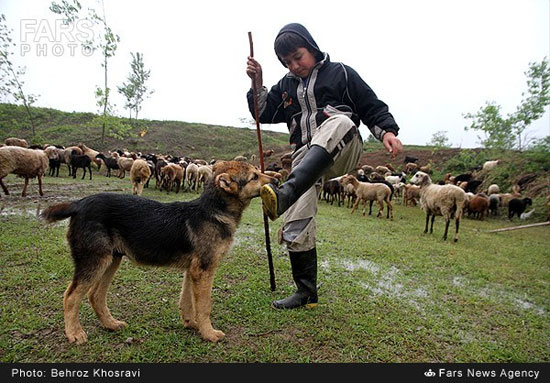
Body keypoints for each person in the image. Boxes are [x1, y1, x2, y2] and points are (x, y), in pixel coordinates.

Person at [246, 23, 402, 310]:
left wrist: (387, 131)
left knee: (340, 121)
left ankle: (286, 192)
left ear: (312, 48)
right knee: (296, 220)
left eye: (298, 57)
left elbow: (370, 105)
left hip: (343, 145)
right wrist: (258, 83)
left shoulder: (340, 73)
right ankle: (306, 292)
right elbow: (262, 113)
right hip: (305, 159)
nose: (294, 66)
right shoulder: (286, 86)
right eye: (286, 62)